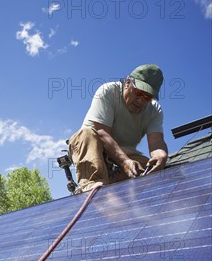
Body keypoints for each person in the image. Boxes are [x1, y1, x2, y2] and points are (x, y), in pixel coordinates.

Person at [68, 64, 168, 193]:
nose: (140, 101)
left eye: (147, 97)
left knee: (146, 165)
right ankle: (92, 187)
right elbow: (101, 132)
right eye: (138, 93)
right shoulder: (108, 91)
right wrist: (125, 161)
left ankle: (110, 182)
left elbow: (157, 142)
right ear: (127, 83)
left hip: (122, 160)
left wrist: (161, 157)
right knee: (87, 134)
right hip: (94, 150)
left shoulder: (155, 110)